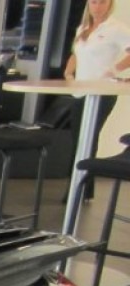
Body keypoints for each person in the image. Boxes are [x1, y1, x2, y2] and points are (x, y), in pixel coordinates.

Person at [63, 0, 130, 197]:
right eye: (94, 2)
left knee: (89, 138)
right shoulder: (83, 28)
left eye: (102, 2)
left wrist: (114, 69)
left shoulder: (117, 28)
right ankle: (82, 187)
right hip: (81, 91)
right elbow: (76, 53)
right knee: (77, 139)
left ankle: (79, 188)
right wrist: (68, 73)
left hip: (102, 93)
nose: (97, 7)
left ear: (109, 5)